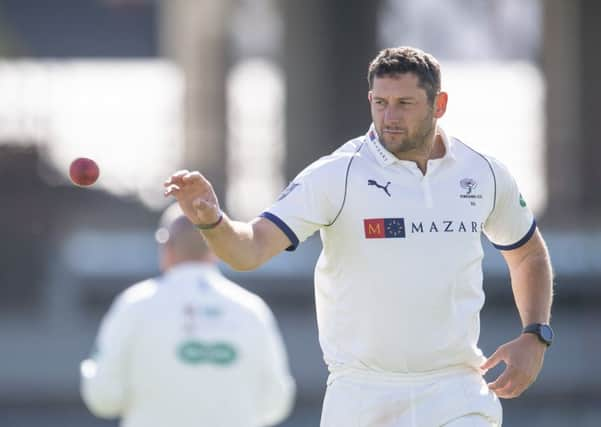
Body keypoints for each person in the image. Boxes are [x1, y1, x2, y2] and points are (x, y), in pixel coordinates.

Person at [164, 46, 554, 427]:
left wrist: (535, 334)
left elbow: (528, 255)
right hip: (363, 396)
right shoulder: (336, 174)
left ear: (440, 104)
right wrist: (212, 220)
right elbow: (249, 250)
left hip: (457, 389)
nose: (390, 117)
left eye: (405, 103)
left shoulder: (484, 172)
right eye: (380, 102)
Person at [80, 203, 295, 427]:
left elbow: (103, 397)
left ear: (165, 245)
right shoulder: (252, 309)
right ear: (217, 245)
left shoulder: (134, 304)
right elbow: (275, 402)